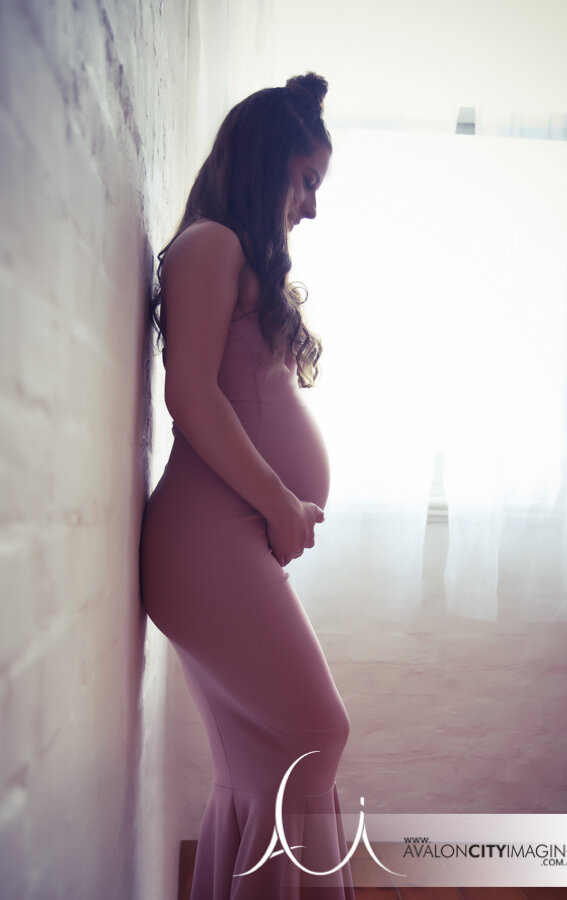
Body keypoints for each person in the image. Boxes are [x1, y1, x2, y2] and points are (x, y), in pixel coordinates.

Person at [139, 72, 355, 899]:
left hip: (225, 542)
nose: (310, 205)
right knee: (315, 732)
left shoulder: (230, 254)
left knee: (262, 764)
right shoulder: (211, 245)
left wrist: (278, 508)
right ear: (265, 164)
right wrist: (278, 502)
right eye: (305, 181)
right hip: (205, 539)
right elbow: (188, 393)